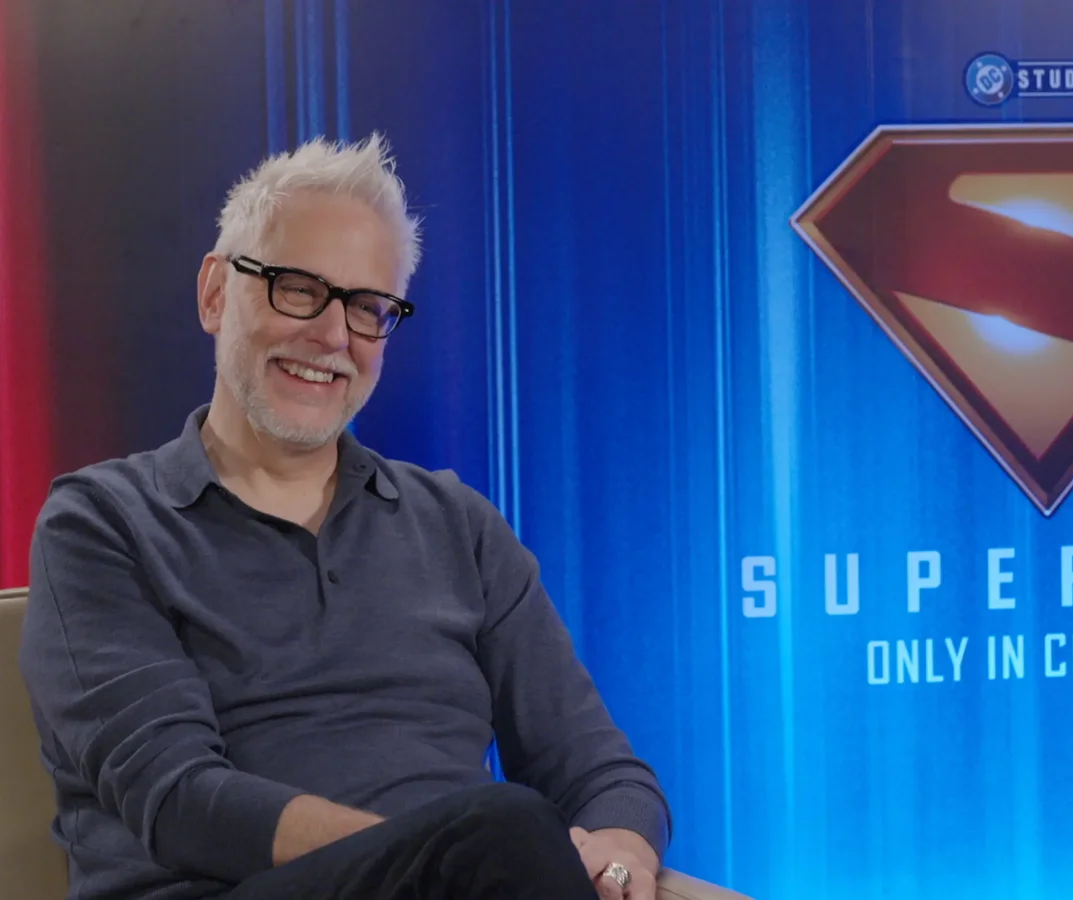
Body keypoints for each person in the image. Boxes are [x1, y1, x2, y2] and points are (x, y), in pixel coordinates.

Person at [18, 135, 668, 900]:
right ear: (215, 293)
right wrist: (437, 862)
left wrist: (618, 852)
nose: (332, 337)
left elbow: (599, 771)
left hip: (486, 872)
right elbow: (179, 800)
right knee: (505, 830)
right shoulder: (100, 524)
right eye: (297, 288)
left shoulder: (456, 525)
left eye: (366, 308)